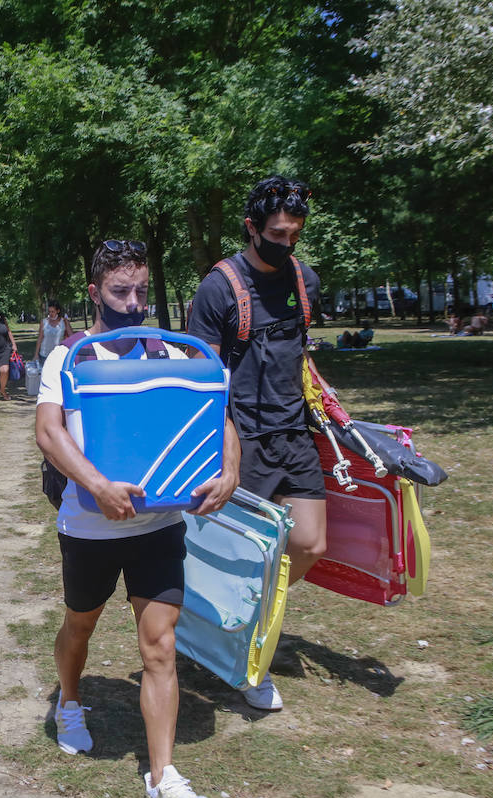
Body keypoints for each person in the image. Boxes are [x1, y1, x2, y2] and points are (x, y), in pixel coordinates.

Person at [35, 240, 238, 798]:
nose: (134, 303)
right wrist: (97, 485)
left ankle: (163, 778)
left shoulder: (172, 355)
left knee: (160, 646)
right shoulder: (70, 357)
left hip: (161, 523)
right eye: (121, 292)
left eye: (142, 291)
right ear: (95, 292)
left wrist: (231, 471)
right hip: (90, 527)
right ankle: (69, 701)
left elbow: (219, 416)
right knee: (81, 623)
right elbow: (49, 433)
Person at [186, 176, 326, 712]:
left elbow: (301, 356)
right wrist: (221, 450)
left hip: (294, 434)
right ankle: (248, 661)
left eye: (294, 233)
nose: (286, 242)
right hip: (243, 439)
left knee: (309, 546)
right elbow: (202, 378)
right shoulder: (219, 288)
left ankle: (247, 631)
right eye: (276, 233)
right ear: (251, 227)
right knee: (244, 557)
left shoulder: (304, 280)